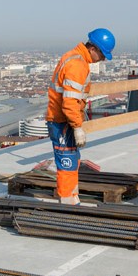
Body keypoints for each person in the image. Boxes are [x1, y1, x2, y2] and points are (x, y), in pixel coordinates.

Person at [46, 28, 116, 204]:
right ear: (93, 49)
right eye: (102, 55)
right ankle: (68, 202)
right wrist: (77, 127)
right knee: (67, 162)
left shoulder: (75, 58)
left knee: (72, 159)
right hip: (62, 121)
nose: (101, 59)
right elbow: (70, 102)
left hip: (63, 120)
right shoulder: (77, 65)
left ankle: (69, 194)